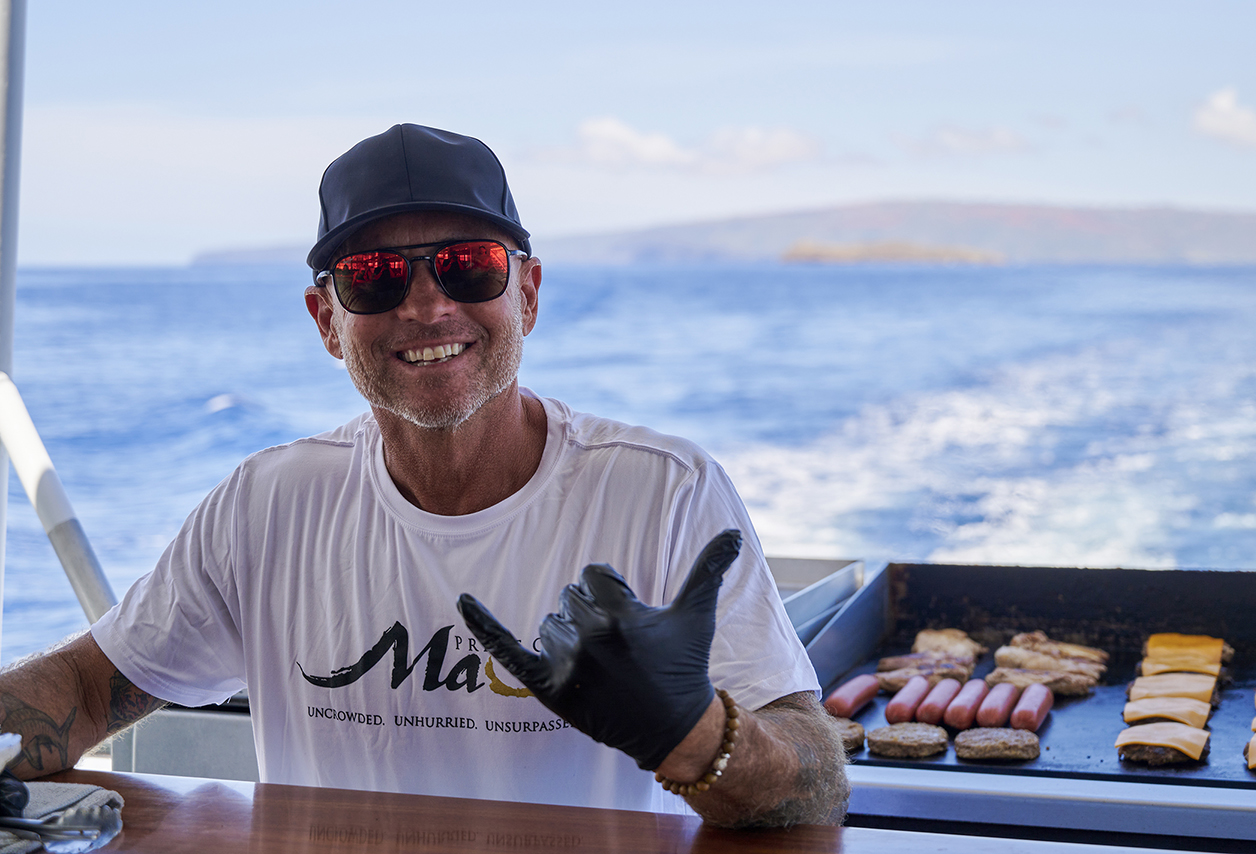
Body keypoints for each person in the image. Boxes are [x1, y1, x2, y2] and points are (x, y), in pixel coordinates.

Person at [0, 124, 849, 828]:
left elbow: (816, 787)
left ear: (529, 293)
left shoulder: (662, 492)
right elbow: (82, 684)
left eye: (469, 264)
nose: (426, 304)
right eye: (373, 278)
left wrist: (693, 733)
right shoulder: (266, 506)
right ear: (327, 321)